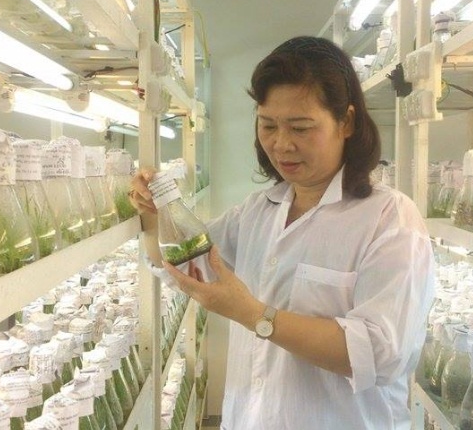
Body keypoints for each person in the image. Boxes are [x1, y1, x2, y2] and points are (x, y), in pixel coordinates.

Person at [129, 36, 435, 430]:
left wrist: (253, 314)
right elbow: (189, 267)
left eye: (301, 127)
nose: (281, 144)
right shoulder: (258, 210)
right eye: (268, 125)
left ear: (346, 122)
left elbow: (380, 354)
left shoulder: (389, 218)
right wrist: (156, 211)